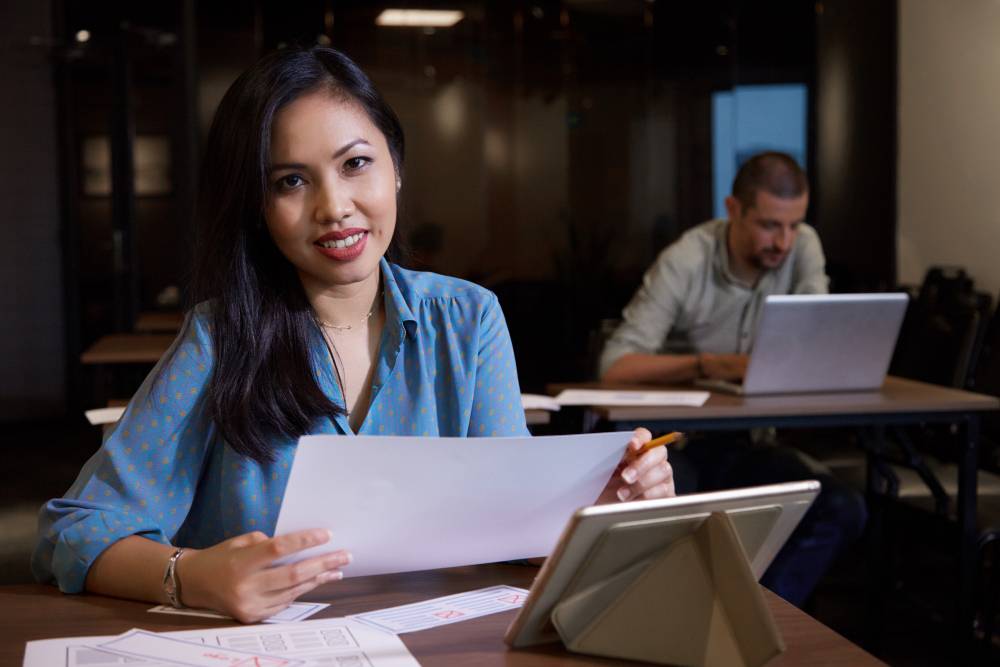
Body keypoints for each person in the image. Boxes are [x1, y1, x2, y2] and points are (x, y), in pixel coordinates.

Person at [33, 47, 674, 623]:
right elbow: (74, 531)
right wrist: (194, 577)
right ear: (257, 206)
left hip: (433, 646)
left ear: (396, 168)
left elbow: (513, 533)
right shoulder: (222, 336)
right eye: (290, 181)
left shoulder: (468, 319)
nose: (334, 207)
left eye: (356, 164)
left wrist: (593, 507)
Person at [599, 151, 866, 607]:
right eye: (769, 225)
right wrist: (709, 365)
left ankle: (752, 614)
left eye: (794, 225)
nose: (783, 242)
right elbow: (614, 364)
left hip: (751, 444)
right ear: (733, 209)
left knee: (842, 508)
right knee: (662, 519)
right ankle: (698, 619)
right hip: (681, 446)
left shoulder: (802, 245)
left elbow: (816, 337)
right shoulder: (687, 259)